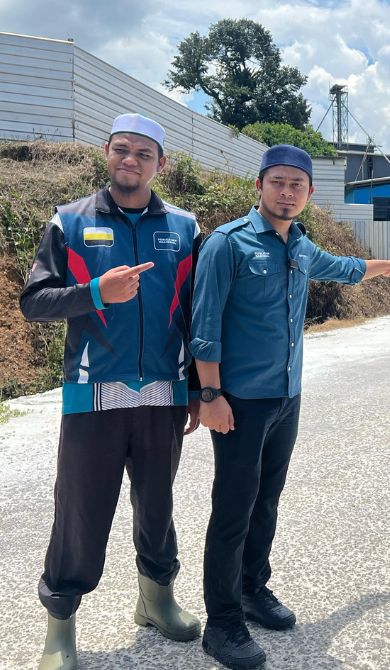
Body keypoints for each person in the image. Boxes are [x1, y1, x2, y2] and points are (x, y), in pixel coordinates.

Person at [190, 144, 390, 670]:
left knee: (266, 501)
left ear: (309, 193)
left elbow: (342, 267)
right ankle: (222, 623)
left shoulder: (301, 244)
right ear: (260, 186)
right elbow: (204, 325)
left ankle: (252, 590)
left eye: (297, 185)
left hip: (286, 398)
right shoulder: (228, 243)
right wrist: (210, 396)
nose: (287, 192)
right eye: (278, 182)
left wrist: (382, 267)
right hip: (240, 402)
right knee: (233, 510)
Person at [20, 113, 203, 670]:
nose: (131, 160)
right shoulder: (69, 221)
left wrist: (198, 387)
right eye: (122, 149)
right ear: (106, 152)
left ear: (160, 164)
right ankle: (60, 627)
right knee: (80, 511)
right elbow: (34, 302)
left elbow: (196, 311)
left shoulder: (186, 227)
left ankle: (156, 599)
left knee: (158, 506)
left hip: (164, 394)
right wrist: (96, 291)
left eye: (143, 153)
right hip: (92, 393)